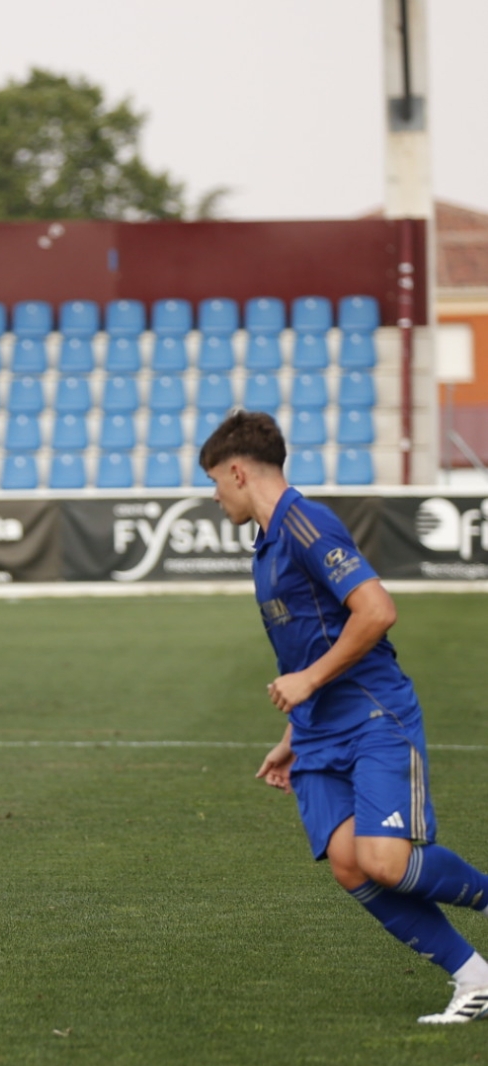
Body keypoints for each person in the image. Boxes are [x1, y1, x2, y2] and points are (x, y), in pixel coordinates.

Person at [203, 410, 488, 1025]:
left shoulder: (305, 523)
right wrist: (291, 733)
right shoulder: (266, 544)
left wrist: (307, 682)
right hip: (315, 733)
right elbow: (308, 647)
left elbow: (376, 611)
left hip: (371, 715)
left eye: (215, 482)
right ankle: (475, 979)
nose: (216, 496)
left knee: (386, 861)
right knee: (350, 865)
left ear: (237, 472)